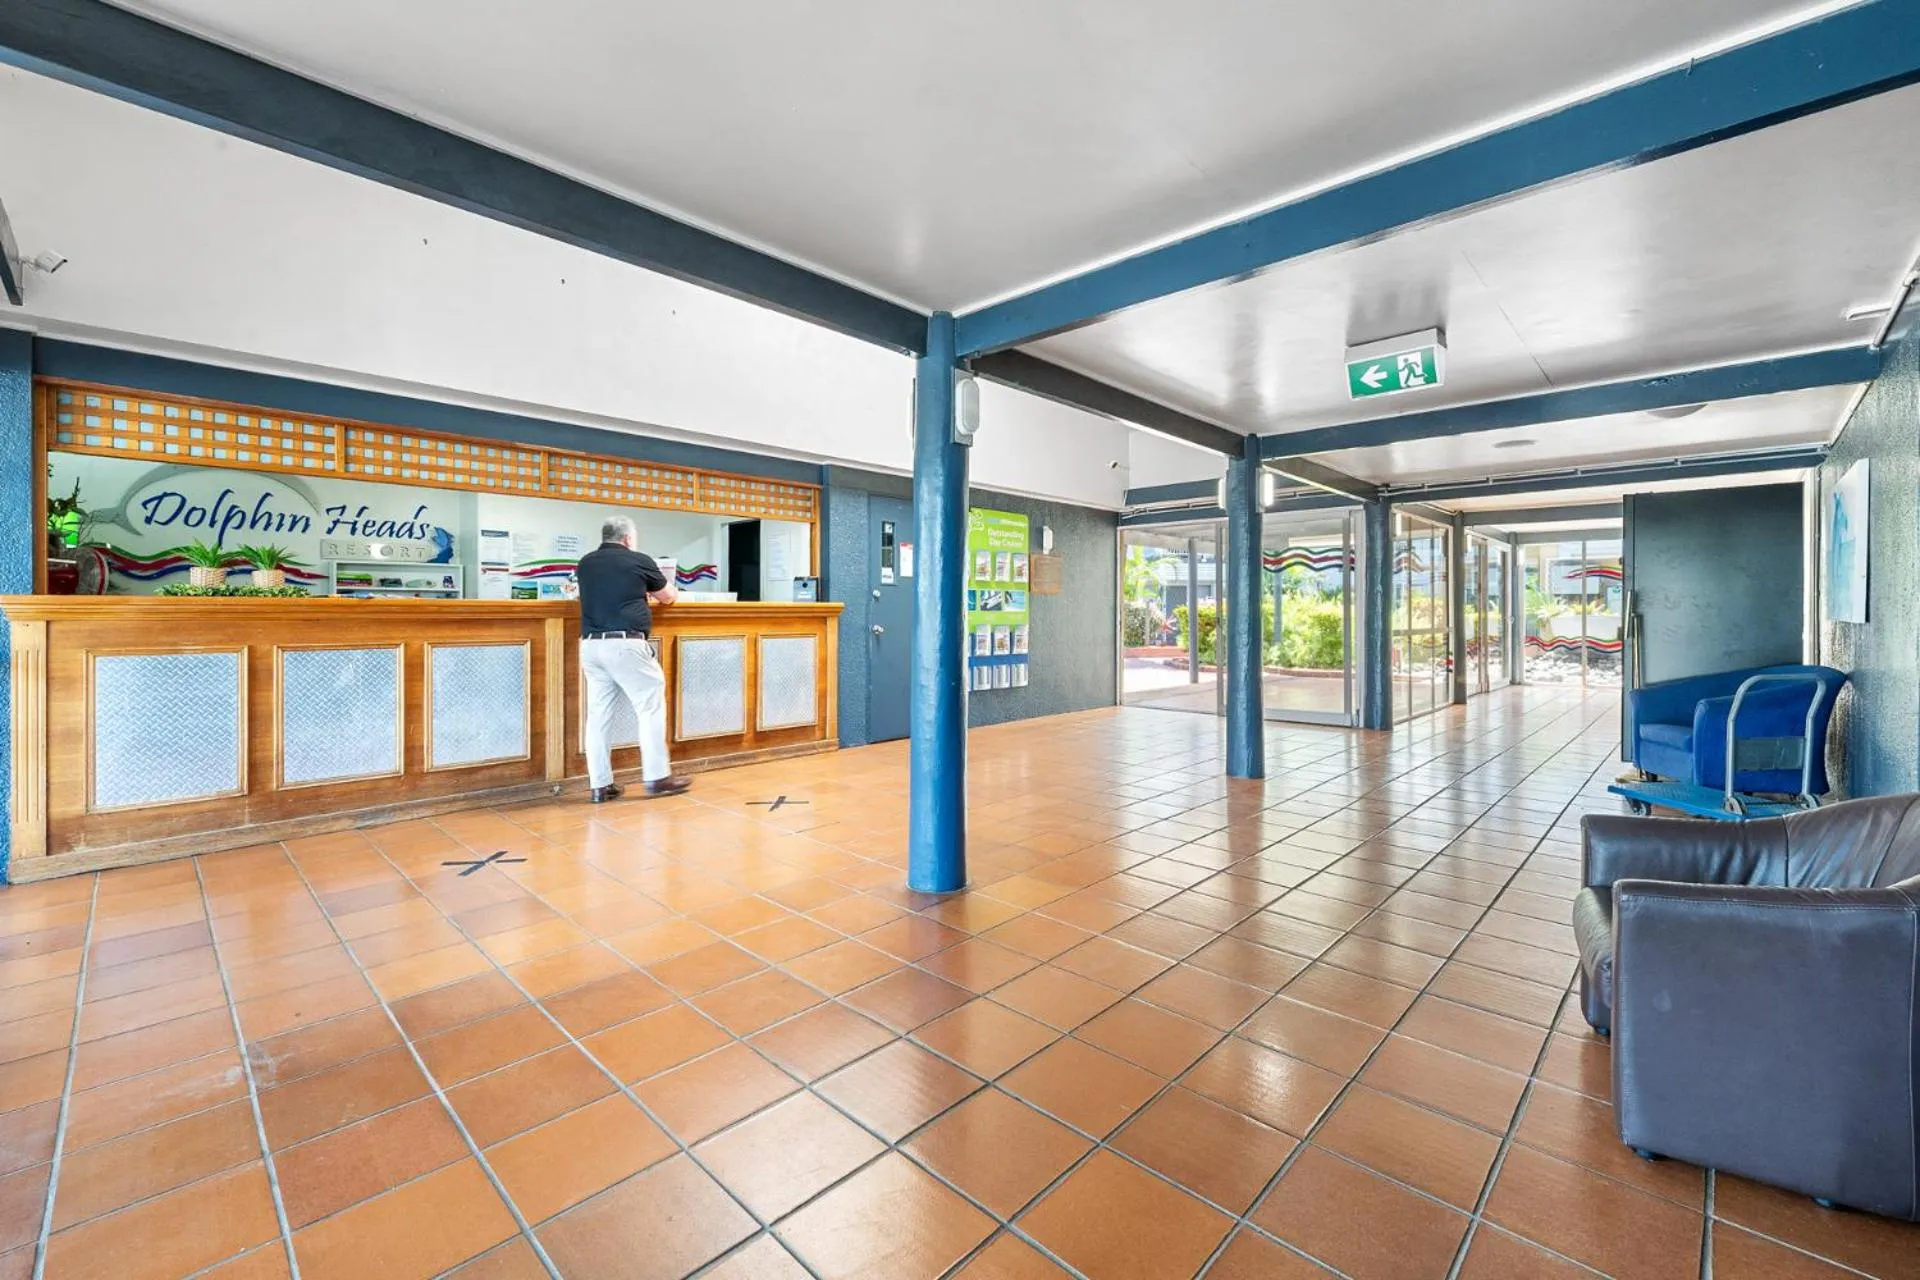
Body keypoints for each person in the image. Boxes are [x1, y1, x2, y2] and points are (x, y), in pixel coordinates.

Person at [576, 516, 690, 802]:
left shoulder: (585, 563)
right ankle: (657, 777)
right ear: (627, 538)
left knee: (599, 715)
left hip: (591, 646)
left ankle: (600, 785)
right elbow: (668, 596)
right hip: (625, 644)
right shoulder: (639, 560)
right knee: (650, 706)